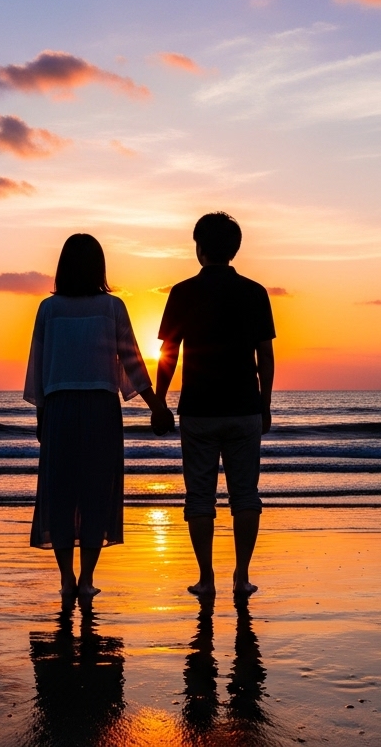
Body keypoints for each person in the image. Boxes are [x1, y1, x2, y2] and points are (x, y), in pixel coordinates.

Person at [24, 233, 173, 601]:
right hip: (100, 410)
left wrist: (43, 416)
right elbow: (133, 361)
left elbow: (39, 369)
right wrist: (156, 405)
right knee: (95, 492)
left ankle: (66, 579)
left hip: (60, 407)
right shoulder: (112, 307)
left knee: (60, 493)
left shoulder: (49, 309)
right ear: (99, 267)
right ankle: (86, 579)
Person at [155, 212, 275, 598]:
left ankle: (206, 578)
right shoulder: (255, 292)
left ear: (199, 248)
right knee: (246, 495)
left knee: (199, 496)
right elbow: (266, 356)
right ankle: (241, 575)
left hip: (200, 409)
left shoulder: (183, 291)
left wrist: (159, 400)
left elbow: (169, 353)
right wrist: (265, 404)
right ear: (234, 248)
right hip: (243, 408)